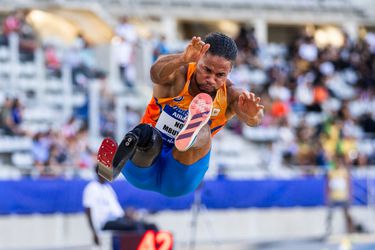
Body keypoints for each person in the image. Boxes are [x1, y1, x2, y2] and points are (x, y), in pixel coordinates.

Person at [97, 32, 264, 197]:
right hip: (144, 165)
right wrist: (182, 58)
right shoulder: (180, 75)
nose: (211, 79)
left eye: (220, 75)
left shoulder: (231, 95)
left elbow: (255, 119)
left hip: (179, 177)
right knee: (146, 134)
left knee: (203, 130)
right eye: (206, 70)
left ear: (230, 70)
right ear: (199, 59)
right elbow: (155, 73)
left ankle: (191, 135)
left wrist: (252, 114)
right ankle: (113, 166)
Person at [83, 165, 158, 246]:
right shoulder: (92, 188)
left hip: (117, 219)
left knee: (150, 226)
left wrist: (127, 214)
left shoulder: (107, 188)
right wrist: (94, 232)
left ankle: (157, 246)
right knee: (135, 226)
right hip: (105, 223)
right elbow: (88, 211)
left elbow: (116, 210)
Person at [325, 155, 355, 236]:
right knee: (330, 215)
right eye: (337, 162)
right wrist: (327, 197)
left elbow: (349, 184)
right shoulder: (331, 172)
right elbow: (327, 185)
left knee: (347, 215)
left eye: (340, 162)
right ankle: (329, 231)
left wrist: (350, 195)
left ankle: (351, 231)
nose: (338, 163)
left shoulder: (344, 171)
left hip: (343, 196)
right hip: (333, 196)